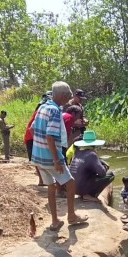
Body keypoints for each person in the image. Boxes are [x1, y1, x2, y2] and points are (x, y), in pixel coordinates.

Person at [30, 81, 89, 231]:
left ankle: (55, 221)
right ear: (62, 96)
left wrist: (39, 147)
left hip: (38, 157)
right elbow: (50, 136)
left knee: (51, 187)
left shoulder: (42, 107)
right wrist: (56, 159)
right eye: (68, 95)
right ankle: (71, 216)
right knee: (71, 183)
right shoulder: (55, 111)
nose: (69, 98)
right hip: (50, 158)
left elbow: (32, 129)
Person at [70, 131, 115, 202]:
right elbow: (102, 173)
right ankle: (90, 195)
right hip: (82, 188)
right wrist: (105, 167)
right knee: (111, 175)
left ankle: (83, 193)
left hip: (73, 188)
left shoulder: (77, 152)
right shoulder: (91, 154)